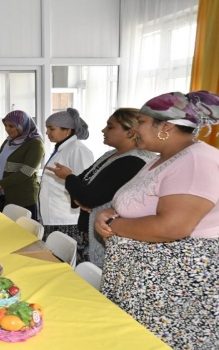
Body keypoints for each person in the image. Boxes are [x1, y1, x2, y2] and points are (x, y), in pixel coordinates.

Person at [94, 91, 219, 348]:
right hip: (143, 281)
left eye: (140, 122)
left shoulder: (196, 160)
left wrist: (114, 225)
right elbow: (143, 205)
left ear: (166, 126)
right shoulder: (160, 159)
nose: (134, 129)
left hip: (171, 286)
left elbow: (172, 226)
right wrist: (111, 213)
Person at [44, 108, 153, 265]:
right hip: (88, 228)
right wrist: (80, 195)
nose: (103, 130)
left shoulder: (132, 161)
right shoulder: (110, 155)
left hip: (105, 234)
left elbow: (88, 195)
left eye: (110, 127)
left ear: (130, 132)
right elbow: (83, 182)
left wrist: (70, 179)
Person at [39, 108, 94, 247]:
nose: (47, 133)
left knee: (65, 263)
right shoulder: (62, 148)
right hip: (54, 216)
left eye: (51, 129)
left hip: (67, 218)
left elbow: (84, 183)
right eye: (47, 128)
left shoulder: (77, 150)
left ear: (67, 130)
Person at [0, 110, 45, 219]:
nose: (7, 129)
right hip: (2, 195)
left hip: (22, 198)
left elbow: (26, 172)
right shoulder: (8, 142)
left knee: (23, 233)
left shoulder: (35, 144)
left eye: (11, 126)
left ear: (23, 126)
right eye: (5, 125)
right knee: (2, 230)